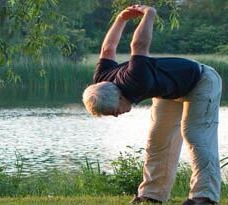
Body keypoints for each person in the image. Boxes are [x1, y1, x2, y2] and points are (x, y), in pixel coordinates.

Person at [82, 5, 222, 205]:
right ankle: (151, 195)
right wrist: (121, 19)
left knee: (195, 135)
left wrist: (149, 14)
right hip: (170, 91)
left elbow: (138, 46)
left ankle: (204, 197)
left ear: (119, 97)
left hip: (201, 81)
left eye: (113, 112)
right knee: (157, 139)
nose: (116, 116)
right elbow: (107, 49)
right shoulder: (102, 80)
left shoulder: (135, 79)